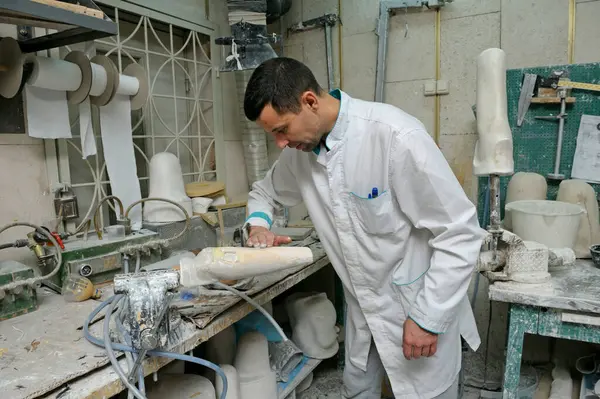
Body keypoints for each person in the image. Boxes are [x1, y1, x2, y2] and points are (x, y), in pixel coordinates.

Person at [241, 57, 486, 399]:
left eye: (281, 130)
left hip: (416, 307)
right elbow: (264, 192)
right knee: (358, 391)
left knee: (427, 394)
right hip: (363, 315)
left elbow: (460, 233)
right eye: (273, 135)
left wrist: (429, 318)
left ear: (310, 101)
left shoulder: (394, 136)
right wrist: (258, 227)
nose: (280, 143)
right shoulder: (299, 155)